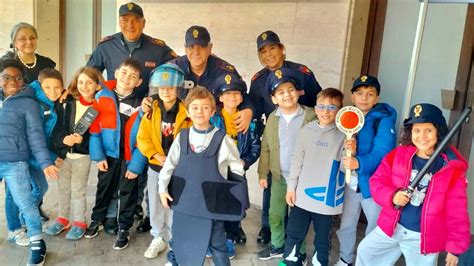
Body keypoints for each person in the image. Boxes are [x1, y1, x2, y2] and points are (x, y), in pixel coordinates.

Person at [356, 103, 471, 266]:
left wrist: (455, 246)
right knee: (366, 252)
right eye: (417, 130)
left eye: (428, 130)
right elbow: (377, 181)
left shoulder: (450, 168)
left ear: (438, 131)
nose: (422, 136)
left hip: (422, 237)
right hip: (392, 226)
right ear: (411, 132)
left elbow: (457, 209)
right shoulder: (399, 155)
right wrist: (393, 195)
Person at [158, 87, 248, 266]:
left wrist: (231, 193)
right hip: (184, 201)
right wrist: (162, 189)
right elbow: (169, 165)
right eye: (195, 107)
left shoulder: (223, 139)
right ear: (187, 111)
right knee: (179, 237)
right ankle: (174, 261)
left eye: (205, 107)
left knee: (217, 243)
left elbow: (237, 168)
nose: (200, 111)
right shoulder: (182, 137)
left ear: (213, 111)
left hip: (211, 204)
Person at [249, 30, 322, 245]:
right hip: (274, 138)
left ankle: (294, 234)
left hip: (303, 139)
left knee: (297, 193)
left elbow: (318, 100)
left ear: (282, 49)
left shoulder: (302, 72)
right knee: (272, 186)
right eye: (263, 51)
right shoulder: (258, 79)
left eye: (272, 48)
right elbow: (253, 107)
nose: (268, 54)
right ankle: (267, 229)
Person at [85, 58, 148, 251]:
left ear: (138, 82)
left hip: (130, 157)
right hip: (108, 155)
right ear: (116, 72)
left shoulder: (141, 105)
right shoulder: (102, 96)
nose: (127, 78)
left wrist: (136, 165)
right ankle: (98, 219)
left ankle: (124, 228)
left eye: (133, 76)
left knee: (128, 193)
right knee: (104, 188)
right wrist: (99, 157)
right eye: (124, 72)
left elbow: (145, 138)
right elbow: (95, 130)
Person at [0, 59, 59, 265]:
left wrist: (45, 163)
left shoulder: (28, 103)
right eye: (7, 77)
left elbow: (36, 136)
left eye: (17, 77)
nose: (12, 82)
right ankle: (15, 231)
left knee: (26, 203)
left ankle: (37, 243)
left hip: (15, 162)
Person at [335, 75, 397, 266]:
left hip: (373, 183)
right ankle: (345, 259)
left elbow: (383, 151)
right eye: (359, 93)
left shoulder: (384, 120)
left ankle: (369, 262)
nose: (364, 98)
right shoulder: (347, 116)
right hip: (351, 181)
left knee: (375, 225)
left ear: (377, 98)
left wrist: (359, 162)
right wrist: (350, 151)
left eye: (370, 94)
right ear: (352, 97)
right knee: (346, 224)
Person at [280, 88, 345, 266]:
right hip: (302, 194)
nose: (326, 111)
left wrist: (351, 152)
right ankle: (290, 260)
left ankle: (319, 262)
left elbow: (347, 169)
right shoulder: (306, 130)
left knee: (322, 237)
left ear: (340, 110)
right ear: (315, 109)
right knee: (294, 232)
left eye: (332, 107)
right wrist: (291, 187)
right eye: (321, 106)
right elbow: (297, 159)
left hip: (326, 198)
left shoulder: (344, 135)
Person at [257, 68, 316, 261]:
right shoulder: (273, 119)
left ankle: (297, 252)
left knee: (297, 219)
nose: (287, 95)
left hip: (302, 178)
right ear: (274, 99)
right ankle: (277, 244)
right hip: (279, 176)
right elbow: (266, 147)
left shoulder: (311, 116)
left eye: (290, 89)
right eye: (280, 92)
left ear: (298, 92)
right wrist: (262, 174)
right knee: (275, 213)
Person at [137, 63, 191, 258]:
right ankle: (158, 237)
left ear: (178, 88)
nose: (166, 91)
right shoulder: (151, 111)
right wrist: (155, 155)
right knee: (156, 202)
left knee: (175, 203)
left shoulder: (186, 111)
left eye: (171, 87)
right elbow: (142, 138)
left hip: (178, 168)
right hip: (156, 167)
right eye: (162, 87)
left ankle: (174, 238)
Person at [46, 67, 102, 240]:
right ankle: (63, 218)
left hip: (82, 157)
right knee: (62, 188)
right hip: (64, 156)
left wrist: (81, 142)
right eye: (81, 82)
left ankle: (79, 222)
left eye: (89, 82)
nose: (84, 86)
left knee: (78, 190)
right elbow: (58, 127)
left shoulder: (99, 105)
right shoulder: (67, 101)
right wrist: (64, 142)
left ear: (97, 86)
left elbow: (96, 136)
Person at [210, 73, 261, 258]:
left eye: (237, 93)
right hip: (215, 172)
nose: (233, 97)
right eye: (228, 93)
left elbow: (255, 146)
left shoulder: (249, 122)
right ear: (220, 97)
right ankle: (214, 240)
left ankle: (230, 239)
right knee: (214, 206)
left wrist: (245, 162)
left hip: (237, 172)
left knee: (234, 206)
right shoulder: (213, 119)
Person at [168, 25, 253, 134]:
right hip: (177, 127)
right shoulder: (173, 69)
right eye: (191, 47)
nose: (196, 51)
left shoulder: (225, 71)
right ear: (185, 48)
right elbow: (157, 93)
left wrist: (249, 111)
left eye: (201, 46)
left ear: (210, 47)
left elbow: (243, 95)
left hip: (215, 129)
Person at [86, 1, 177, 99]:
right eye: (125, 20)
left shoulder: (158, 48)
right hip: (113, 108)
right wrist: (101, 90)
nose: (130, 25)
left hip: (146, 108)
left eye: (136, 20)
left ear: (143, 23)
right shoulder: (106, 46)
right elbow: (89, 74)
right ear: (119, 22)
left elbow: (178, 69)